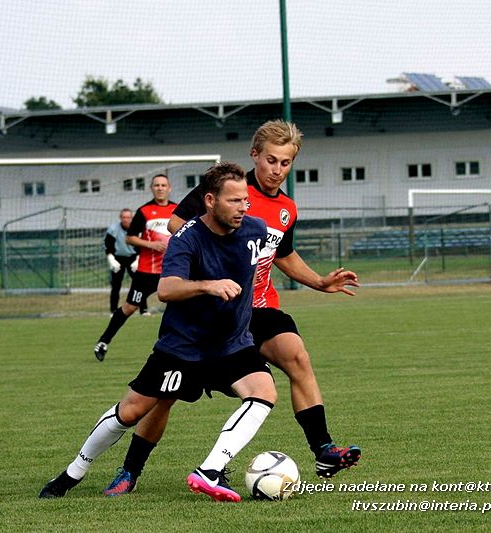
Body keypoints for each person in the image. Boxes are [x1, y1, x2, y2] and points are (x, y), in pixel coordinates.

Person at [102, 119, 361, 497]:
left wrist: (319, 282)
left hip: (257, 307)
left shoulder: (286, 207)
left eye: (286, 163)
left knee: (297, 356)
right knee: (165, 395)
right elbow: (178, 224)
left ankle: (323, 449)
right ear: (255, 155)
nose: (277, 169)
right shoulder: (228, 188)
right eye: (271, 160)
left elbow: (283, 255)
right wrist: (210, 268)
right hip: (210, 310)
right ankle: (129, 471)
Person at [40, 162, 271, 502]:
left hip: (231, 344)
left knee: (264, 391)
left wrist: (319, 282)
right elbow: (166, 289)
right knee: (132, 411)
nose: (243, 207)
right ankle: (75, 471)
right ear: (210, 200)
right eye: (234, 201)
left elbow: (274, 259)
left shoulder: (256, 229)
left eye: (245, 200)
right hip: (183, 347)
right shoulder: (187, 238)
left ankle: (210, 470)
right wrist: (209, 285)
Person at [93, 174, 177, 361]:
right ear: (151, 188)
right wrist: (151, 245)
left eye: (163, 185)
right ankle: (103, 341)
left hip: (171, 271)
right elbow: (129, 238)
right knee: (130, 307)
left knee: (186, 307)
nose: (160, 188)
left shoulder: (177, 210)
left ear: (169, 188)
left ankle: (181, 349)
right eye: (156, 185)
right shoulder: (144, 211)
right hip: (147, 271)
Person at [103, 208, 147, 315]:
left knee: (140, 284)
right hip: (118, 258)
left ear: (132, 218)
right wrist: (111, 260)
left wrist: (137, 260)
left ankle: (143, 310)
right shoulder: (113, 229)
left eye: (128, 217)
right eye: (124, 217)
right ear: (120, 218)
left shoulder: (137, 229)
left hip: (133, 258)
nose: (126, 220)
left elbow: (143, 245)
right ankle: (113, 310)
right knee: (115, 285)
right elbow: (108, 246)